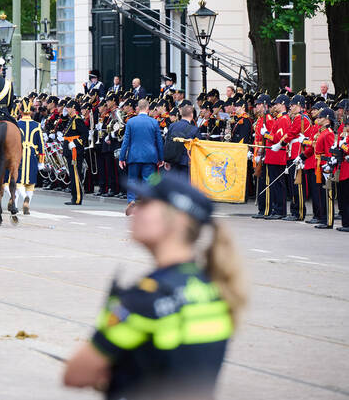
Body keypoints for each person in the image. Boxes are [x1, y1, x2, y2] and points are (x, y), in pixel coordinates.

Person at [63, 172, 246, 400]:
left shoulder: (146, 299)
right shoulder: (214, 290)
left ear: (178, 220)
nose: (134, 211)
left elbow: (76, 374)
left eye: (146, 204)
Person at [118, 99, 163, 213]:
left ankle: (131, 200)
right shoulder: (154, 122)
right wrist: (161, 158)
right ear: (148, 108)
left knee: (132, 179)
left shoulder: (131, 122)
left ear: (138, 108)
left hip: (134, 155)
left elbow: (126, 141)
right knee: (148, 180)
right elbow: (159, 142)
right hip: (150, 156)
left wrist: (122, 157)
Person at [163, 104, 198, 175]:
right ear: (191, 115)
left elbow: (167, 142)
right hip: (186, 161)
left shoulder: (172, 126)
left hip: (173, 159)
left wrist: (166, 160)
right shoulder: (194, 129)